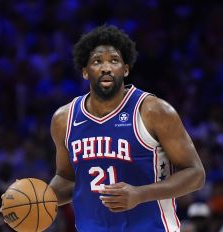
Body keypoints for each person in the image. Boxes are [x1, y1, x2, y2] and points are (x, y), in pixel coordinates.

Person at [48, 24, 205, 232]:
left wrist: (141, 194)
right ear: (85, 72)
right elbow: (67, 179)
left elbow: (195, 174)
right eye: (97, 61)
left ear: (126, 69)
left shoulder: (154, 111)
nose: (106, 67)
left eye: (114, 60)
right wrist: (38, 199)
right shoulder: (64, 119)